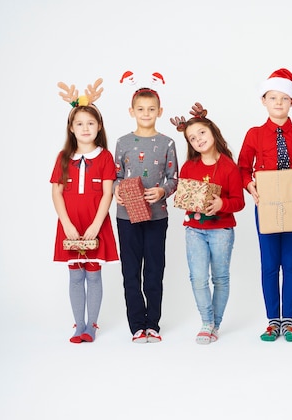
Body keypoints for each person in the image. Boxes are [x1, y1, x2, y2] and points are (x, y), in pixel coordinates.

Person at [238, 68, 292, 342]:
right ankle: (273, 320)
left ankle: (290, 320)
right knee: (270, 263)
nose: (278, 103)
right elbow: (241, 168)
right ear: (264, 101)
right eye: (273, 98)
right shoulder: (254, 134)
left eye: (284, 99)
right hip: (266, 205)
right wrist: (250, 186)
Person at [170, 103, 245, 345]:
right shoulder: (189, 167)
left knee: (220, 278)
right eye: (192, 138)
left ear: (212, 132)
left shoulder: (229, 167)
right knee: (198, 278)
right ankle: (206, 322)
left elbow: (239, 202)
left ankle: (216, 324)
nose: (198, 139)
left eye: (201, 133)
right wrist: (186, 200)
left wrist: (221, 205)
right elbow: (183, 195)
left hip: (221, 230)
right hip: (194, 230)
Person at [51, 79, 119, 343]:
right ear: (71, 128)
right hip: (70, 225)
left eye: (90, 123)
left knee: (93, 274)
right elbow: (56, 192)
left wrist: (95, 225)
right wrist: (66, 223)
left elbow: (107, 193)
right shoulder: (63, 157)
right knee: (75, 275)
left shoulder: (104, 158)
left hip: (95, 224)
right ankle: (78, 325)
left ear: (99, 126)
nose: (85, 128)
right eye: (79, 123)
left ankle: (91, 325)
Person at [114, 87, 178, 343]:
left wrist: (162, 191)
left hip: (156, 217)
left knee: (154, 270)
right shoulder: (123, 142)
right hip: (126, 217)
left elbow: (174, 178)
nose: (146, 113)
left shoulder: (167, 143)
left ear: (160, 111)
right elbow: (116, 176)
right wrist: (118, 190)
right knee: (131, 271)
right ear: (132, 111)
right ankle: (136, 326)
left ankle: (153, 323)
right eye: (140, 109)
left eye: (151, 109)